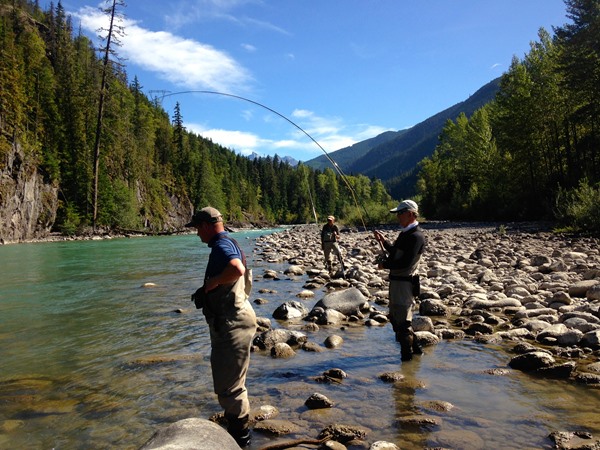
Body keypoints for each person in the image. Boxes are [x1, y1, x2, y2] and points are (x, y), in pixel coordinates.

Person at [186, 206, 257, 447]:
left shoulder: (221, 246)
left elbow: (236, 269)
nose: (197, 234)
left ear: (206, 225)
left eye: (197, 228)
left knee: (229, 387)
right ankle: (239, 431)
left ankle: (240, 439)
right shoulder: (231, 241)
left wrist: (212, 283)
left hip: (232, 324)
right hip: (238, 319)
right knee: (234, 382)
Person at [373, 200, 426, 362]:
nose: (397, 217)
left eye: (400, 213)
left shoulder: (416, 236)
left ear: (410, 214)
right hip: (396, 283)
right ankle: (417, 352)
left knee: (402, 325)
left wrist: (385, 264)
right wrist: (384, 242)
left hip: (405, 285)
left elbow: (406, 262)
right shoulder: (406, 234)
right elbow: (397, 252)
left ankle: (407, 364)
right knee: (397, 321)